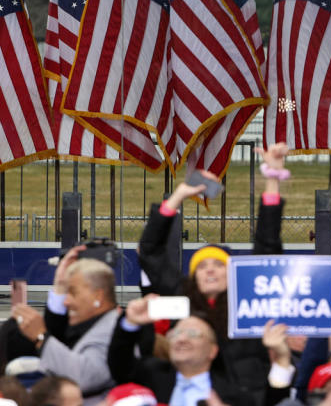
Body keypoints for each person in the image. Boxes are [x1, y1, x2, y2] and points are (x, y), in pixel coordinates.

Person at [136, 144, 289, 404]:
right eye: (202, 266)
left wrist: (272, 178)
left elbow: (268, 245)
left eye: (218, 265)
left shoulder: (247, 301)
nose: (209, 270)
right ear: (193, 277)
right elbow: (150, 251)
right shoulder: (182, 297)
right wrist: (177, 197)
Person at [107, 296, 294, 406]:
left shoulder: (234, 393)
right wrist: (130, 322)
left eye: (193, 333)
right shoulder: (152, 377)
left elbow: (274, 403)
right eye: (177, 332)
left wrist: (282, 360)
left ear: (212, 351)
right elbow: (119, 365)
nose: (181, 338)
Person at [11, 248, 119, 405]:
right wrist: (60, 284)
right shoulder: (94, 323)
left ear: (98, 295)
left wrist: (41, 337)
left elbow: (86, 376)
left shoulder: (116, 330)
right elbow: (59, 335)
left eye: (72, 293)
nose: (66, 301)